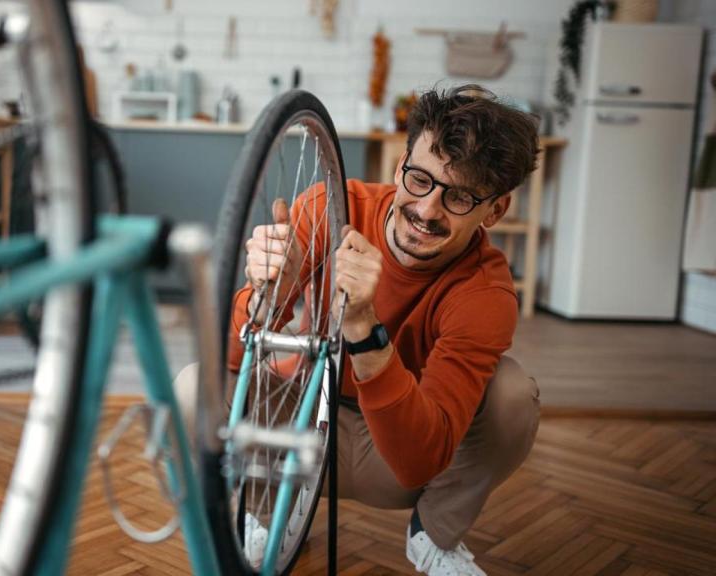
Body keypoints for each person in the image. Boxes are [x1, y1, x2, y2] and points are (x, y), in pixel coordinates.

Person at [183, 84, 542, 576]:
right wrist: (263, 296)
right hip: (301, 425)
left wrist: (362, 326)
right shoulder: (332, 205)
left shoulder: (487, 292)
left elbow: (418, 463)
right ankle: (271, 511)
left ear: (494, 211)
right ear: (399, 168)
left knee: (512, 394)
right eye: (420, 180)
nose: (427, 211)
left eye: (459, 197)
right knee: (190, 387)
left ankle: (433, 536)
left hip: (395, 459)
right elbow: (228, 355)